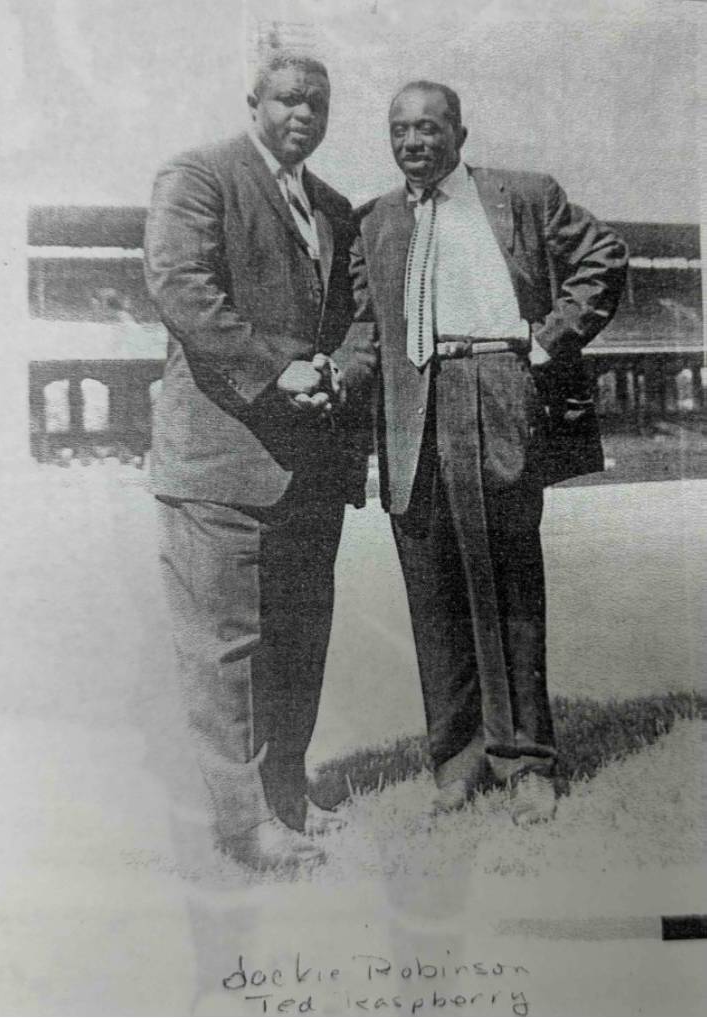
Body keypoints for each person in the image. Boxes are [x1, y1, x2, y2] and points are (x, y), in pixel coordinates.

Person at [348, 80, 628, 824]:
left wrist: (548, 336)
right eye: (400, 129)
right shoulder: (373, 220)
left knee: (506, 586)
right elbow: (361, 325)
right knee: (432, 591)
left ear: (459, 135)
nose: (414, 142)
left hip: (496, 390)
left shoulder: (522, 196)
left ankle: (525, 759)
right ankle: (456, 759)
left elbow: (602, 255)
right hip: (412, 409)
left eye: (430, 128)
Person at [143, 51, 376, 869]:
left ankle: (287, 795)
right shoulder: (199, 176)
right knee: (228, 652)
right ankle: (245, 826)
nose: (303, 112)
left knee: (299, 641)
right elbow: (183, 290)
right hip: (220, 463)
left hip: (309, 463)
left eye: (317, 101)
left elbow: (360, 318)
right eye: (287, 99)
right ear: (254, 103)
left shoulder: (335, 207)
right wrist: (280, 370)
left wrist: (336, 376)